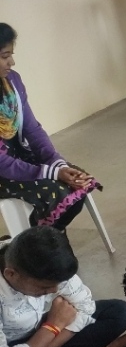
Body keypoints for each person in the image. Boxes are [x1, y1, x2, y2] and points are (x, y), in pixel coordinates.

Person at [0, 24, 99, 229]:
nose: (12, 62)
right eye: (4, 56)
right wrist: (52, 173)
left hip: (18, 157)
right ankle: (39, 241)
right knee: (56, 191)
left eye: (11, 55)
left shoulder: (12, 82)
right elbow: (3, 164)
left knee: (77, 182)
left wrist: (58, 164)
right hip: (3, 170)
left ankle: (46, 237)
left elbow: (32, 130)